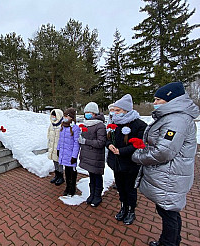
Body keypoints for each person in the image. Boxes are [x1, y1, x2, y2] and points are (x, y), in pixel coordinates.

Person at [132, 82, 199, 246]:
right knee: (169, 212)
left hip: (170, 176)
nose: (154, 103)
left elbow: (164, 152)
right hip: (170, 175)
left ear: (171, 99)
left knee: (168, 212)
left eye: (158, 99)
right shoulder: (172, 117)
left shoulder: (176, 120)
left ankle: (168, 243)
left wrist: (138, 156)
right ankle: (172, 241)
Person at [106, 94, 147, 225]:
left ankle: (131, 210)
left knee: (130, 189)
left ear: (126, 110)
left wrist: (121, 151)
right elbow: (107, 139)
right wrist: (109, 145)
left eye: (118, 110)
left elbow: (138, 144)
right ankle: (123, 207)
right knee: (121, 188)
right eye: (114, 110)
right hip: (116, 163)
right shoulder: (114, 123)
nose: (114, 113)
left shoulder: (139, 125)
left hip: (130, 165)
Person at [78, 102, 107, 207]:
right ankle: (92, 194)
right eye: (86, 112)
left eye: (89, 112)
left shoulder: (100, 125)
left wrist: (85, 141)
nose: (87, 114)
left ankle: (97, 196)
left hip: (96, 156)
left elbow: (101, 142)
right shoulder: (86, 124)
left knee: (97, 177)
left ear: (95, 113)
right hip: (87, 156)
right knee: (91, 176)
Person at [57, 108, 80, 196]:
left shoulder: (75, 128)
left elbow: (76, 143)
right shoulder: (62, 126)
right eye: (64, 116)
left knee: (72, 171)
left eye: (67, 116)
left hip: (70, 154)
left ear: (71, 117)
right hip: (64, 153)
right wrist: (58, 149)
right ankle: (67, 186)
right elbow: (60, 140)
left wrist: (74, 156)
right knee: (66, 171)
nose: (65, 117)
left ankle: (72, 188)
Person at [47, 109, 64, 185]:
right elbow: (49, 135)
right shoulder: (51, 124)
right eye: (53, 115)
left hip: (59, 148)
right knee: (54, 161)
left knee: (59, 162)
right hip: (52, 147)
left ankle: (61, 177)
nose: (54, 117)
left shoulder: (62, 125)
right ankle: (56, 175)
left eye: (55, 115)